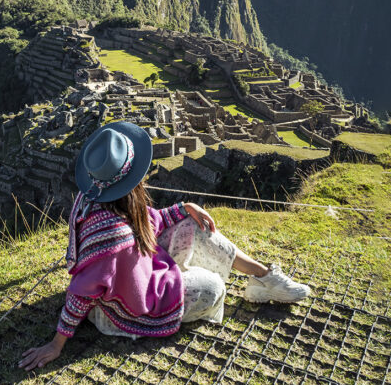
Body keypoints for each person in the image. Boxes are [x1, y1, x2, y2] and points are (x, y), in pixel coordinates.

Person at [19, 121, 310, 371]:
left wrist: (184, 208)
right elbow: (81, 291)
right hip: (120, 311)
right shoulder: (112, 236)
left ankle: (263, 277)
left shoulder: (98, 197)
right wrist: (57, 343)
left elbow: (150, 222)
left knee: (196, 224)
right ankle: (204, 276)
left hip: (142, 271)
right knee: (212, 287)